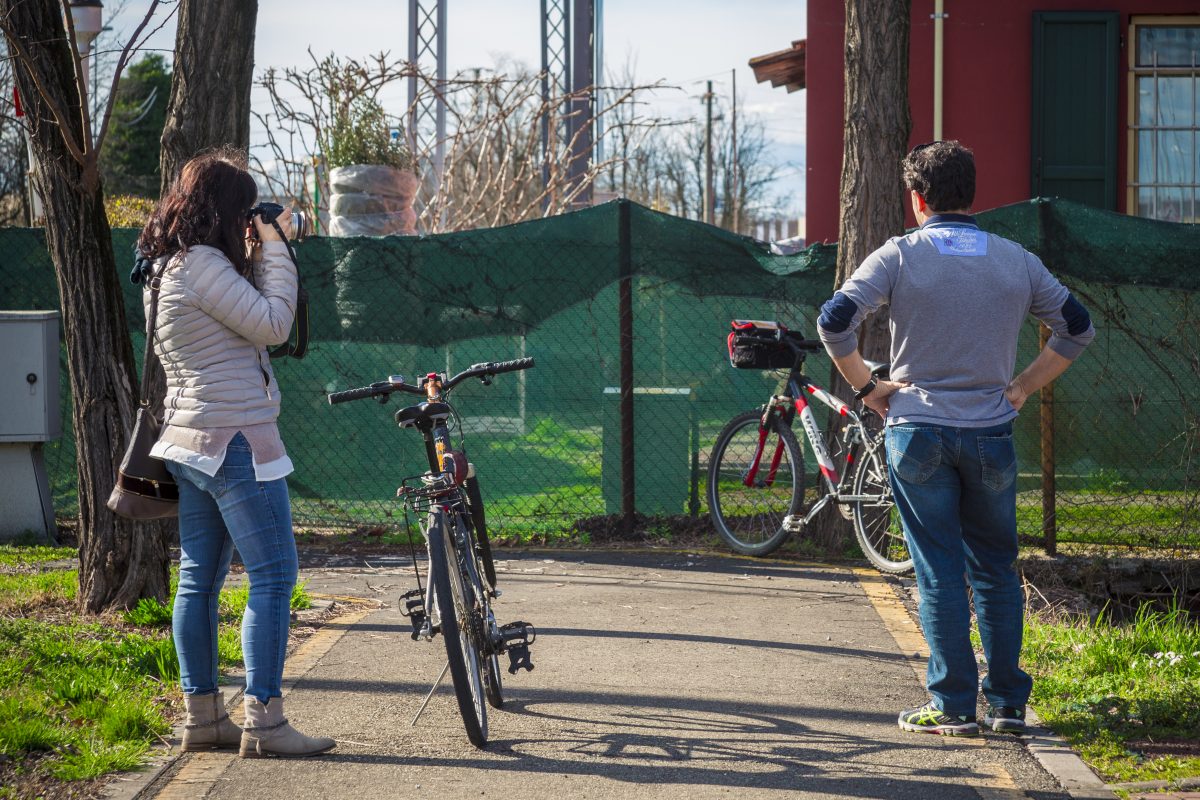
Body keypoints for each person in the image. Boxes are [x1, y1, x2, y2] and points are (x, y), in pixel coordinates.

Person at [817, 140, 1094, 736]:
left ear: (918, 199)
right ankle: (1009, 707)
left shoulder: (898, 256)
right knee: (995, 569)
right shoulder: (1016, 260)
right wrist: (1022, 386)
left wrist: (868, 387)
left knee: (938, 573)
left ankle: (953, 706)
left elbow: (834, 320)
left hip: (916, 433)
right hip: (991, 431)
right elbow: (1077, 326)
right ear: (973, 196)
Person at [138, 150, 335, 758]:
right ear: (226, 208)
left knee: (199, 578)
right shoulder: (200, 265)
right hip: (233, 443)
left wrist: (255, 248)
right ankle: (266, 723)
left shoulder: (169, 264)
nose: (251, 218)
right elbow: (274, 323)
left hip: (191, 443)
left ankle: (203, 718)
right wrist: (275, 244)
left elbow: (237, 324)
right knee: (275, 576)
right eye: (245, 208)